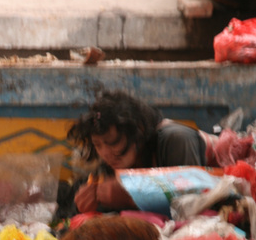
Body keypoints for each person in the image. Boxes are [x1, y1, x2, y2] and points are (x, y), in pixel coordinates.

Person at [67, 90, 208, 213]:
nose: (105, 154)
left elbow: (193, 206)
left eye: (113, 142)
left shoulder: (176, 140)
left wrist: (130, 198)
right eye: (97, 145)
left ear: (138, 132)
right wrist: (89, 203)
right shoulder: (116, 162)